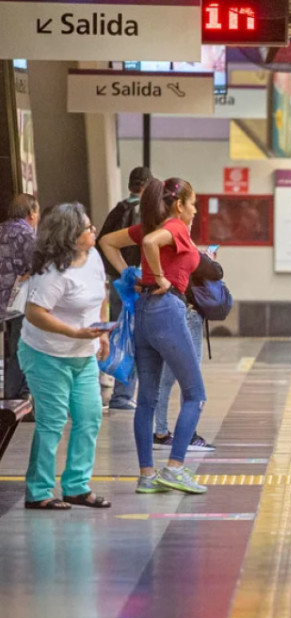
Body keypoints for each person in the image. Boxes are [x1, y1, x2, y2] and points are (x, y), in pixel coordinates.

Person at [98, 177, 208, 495]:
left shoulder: (147, 225)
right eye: (193, 204)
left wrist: (130, 274)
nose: (196, 211)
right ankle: (174, 468)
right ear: (179, 205)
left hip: (143, 312)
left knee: (146, 398)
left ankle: (147, 475)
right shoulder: (174, 227)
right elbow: (149, 245)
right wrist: (159, 277)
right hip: (167, 310)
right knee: (195, 394)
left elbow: (106, 242)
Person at [19, 203, 110, 510]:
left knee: (89, 416)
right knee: (52, 421)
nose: (93, 230)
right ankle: (39, 491)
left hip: (82, 354)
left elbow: (102, 293)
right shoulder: (53, 271)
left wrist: (102, 332)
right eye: (87, 228)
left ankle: (76, 486)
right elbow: (34, 313)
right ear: (70, 235)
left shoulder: (93, 256)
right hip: (46, 354)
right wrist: (73, 333)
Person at [152, 249, 222, 452]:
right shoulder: (184, 244)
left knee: (166, 377)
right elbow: (216, 271)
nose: (192, 216)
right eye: (190, 216)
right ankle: (188, 434)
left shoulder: (161, 247)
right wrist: (207, 257)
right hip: (188, 313)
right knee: (192, 378)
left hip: (167, 310)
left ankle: (161, 432)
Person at [99, 167, 152, 410]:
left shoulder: (119, 209)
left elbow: (102, 243)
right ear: (147, 185)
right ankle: (122, 396)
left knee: (117, 334)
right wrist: (130, 273)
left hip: (118, 281)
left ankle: (107, 380)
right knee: (132, 338)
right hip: (135, 282)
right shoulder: (146, 213)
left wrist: (117, 273)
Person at [1, 194, 38, 404]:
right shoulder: (26, 235)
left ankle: (9, 393)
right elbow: (37, 264)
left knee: (9, 348)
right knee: (22, 346)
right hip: (19, 300)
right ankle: (19, 396)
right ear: (31, 213)